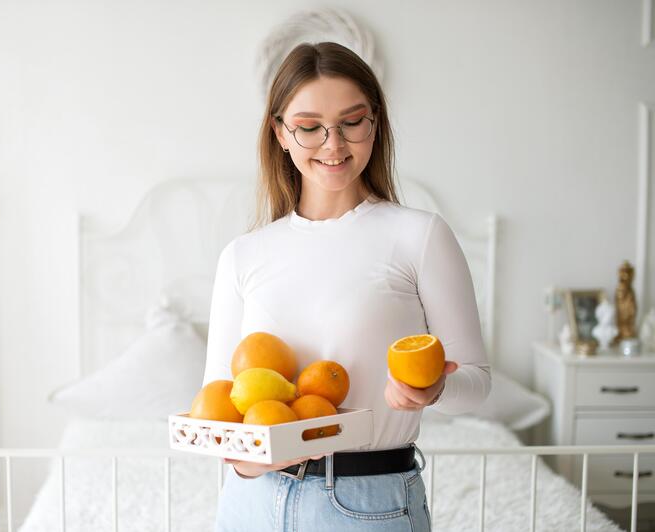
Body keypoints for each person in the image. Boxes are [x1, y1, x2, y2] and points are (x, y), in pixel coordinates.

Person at [202, 41, 491, 532]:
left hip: (368, 503)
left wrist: (434, 389)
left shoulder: (419, 236)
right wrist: (246, 461)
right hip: (250, 506)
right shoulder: (243, 256)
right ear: (280, 134)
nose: (333, 145)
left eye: (352, 122)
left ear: (374, 123)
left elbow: (478, 382)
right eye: (310, 127)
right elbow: (220, 402)